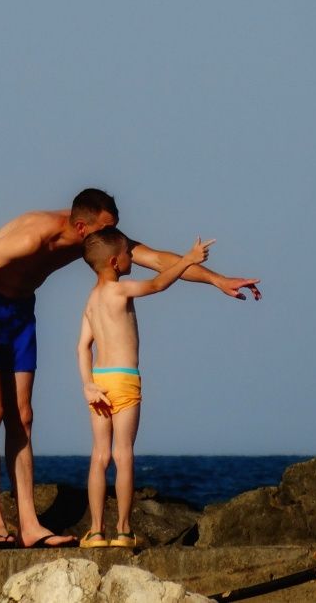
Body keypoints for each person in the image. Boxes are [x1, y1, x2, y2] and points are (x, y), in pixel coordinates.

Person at [0, 188, 259, 549]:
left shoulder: (98, 239)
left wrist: (218, 280)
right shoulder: (32, 236)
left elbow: (156, 260)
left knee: (23, 415)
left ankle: (29, 524)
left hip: (19, 312)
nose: (112, 238)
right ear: (81, 227)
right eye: (105, 229)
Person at [76, 227, 212, 548]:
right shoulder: (118, 291)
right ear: (114, 261)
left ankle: (96, 531)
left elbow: (82, 347)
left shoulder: (91, 301)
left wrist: (88, 385)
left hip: (99, 381)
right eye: (127, 253)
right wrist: (189, 259)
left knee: (99, 456)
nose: (131, 257)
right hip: (124, 378)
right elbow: (158, 283)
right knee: (124, 455)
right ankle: (123, 530)